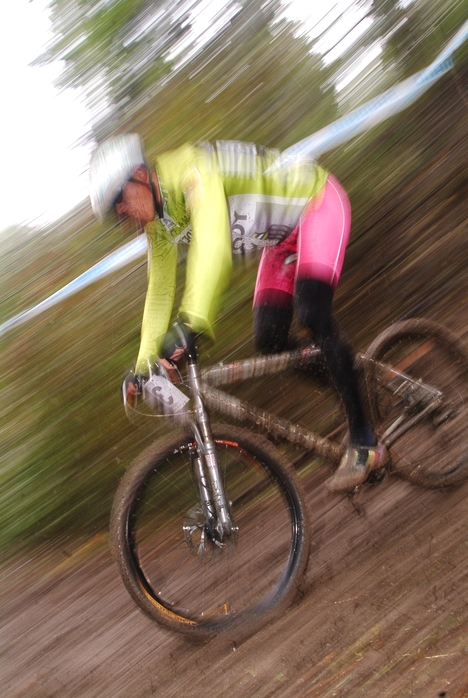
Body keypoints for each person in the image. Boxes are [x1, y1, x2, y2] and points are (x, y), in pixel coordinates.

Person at [89, 134, 386, 491]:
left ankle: (365, 441)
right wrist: (143, 365)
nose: (122, 214)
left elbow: (214, 245)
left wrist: (190, 322)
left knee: (311, 314)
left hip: (316, 204)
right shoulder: (160, 225)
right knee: (268, 338)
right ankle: (351, 385)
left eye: (119, 201)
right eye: (114, 213)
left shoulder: (190, 171)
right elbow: (160, 291)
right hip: (281, 241)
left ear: (140, 174)